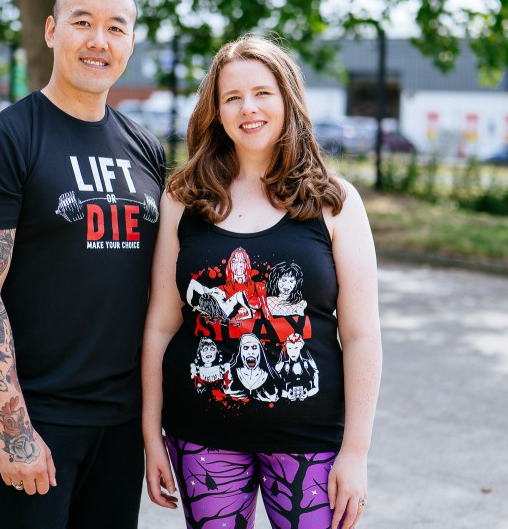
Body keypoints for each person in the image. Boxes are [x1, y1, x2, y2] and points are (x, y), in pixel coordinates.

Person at [0, 0, 166, 529]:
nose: (99, 40)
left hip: (119, 425)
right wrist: (15, 431)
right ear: (51, 31)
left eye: (116, 28)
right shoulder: (3, 142)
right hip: (38, 419)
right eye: (83, 23)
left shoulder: (145, 148)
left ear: (131, 44)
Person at [142, 34, 382, 529]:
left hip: (311, 441)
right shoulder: (183, 198)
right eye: (232, 97)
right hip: (202, 437)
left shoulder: (334, 201)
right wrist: (151, 434)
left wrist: (356, 452)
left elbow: (361, 335)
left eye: (262, 93)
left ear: (287, 99)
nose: (247, 108)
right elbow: (161, 326)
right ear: (216, 110)